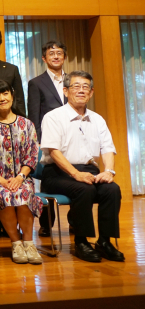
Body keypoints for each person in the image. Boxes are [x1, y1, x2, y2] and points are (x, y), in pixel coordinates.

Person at [40, 71, 124, 263]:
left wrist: (109, 171)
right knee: (83, 189)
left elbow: (108, 148)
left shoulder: (97, 119)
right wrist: (76, 174)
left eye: (85, 87)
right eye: (76, 86)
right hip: (58, 173)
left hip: (89, 171)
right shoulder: (53, 117)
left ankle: (104, 241)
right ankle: (81, 241)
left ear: (91, 93)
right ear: (66, 91)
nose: (81, 91)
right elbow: (53, 151)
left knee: (112, 189)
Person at [0, 80, 44, 265]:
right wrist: (3, 181)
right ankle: (16, 243)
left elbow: (32, 156)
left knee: (23, 194)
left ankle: (29, 243)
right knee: (6, 195)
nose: (1, 98)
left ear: (12, 96)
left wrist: (20, 177)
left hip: (22, 178)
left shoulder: (27, 124)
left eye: (5, 93)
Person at [27, 41, 68, 237]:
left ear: (64, 57)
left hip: (70, 138)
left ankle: (74, 222)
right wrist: (37, 140)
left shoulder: (73, 81)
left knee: (73, 176)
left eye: (59, 53)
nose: (56, 56)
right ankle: (45, 224)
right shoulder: (36, 83)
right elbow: (34, 114)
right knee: (48, 178)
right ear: (44, 58)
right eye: (51, 53)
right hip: (47, 139)